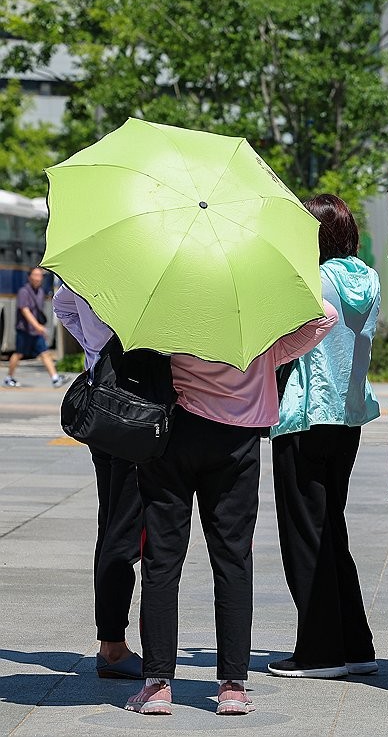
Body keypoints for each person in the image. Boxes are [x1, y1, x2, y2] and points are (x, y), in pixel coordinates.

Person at [124, 302, 338, 716]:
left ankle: (157, 686)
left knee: (162, 560)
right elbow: (325, 315)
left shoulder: (173, 306)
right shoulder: (255, 323)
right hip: (237, 443)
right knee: (234, 559)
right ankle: (232, 687)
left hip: (174, 436)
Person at [267, 195, 381, 680]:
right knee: (331, 527)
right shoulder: (366, 279)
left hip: (304, 414)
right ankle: (354, 643)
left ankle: (318, 651)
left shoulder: (311, 281)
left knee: (304, 534)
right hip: (348, 416)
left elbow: (280, 338)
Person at [53, 285, 143, 679]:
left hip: (102, 404)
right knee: (123, 527)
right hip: (135, 410)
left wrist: (93, 351)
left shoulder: (87, 269)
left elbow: (62, 307)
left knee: (111, 522)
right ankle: (113, 646)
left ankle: (111, 639)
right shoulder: (142, 265)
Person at [6, 267, 63, 387]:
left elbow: (38, 312)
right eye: (35, 275)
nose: (38, 278)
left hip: (36, 332)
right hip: (24, 330)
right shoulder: (24, 292)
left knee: (44, 353)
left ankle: (55, 378)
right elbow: (25, 310)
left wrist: (39, 327)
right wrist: (38, 326)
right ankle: (9, 377)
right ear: (29, 277)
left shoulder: (41, 292)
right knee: (18, 354)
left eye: (40, 276)